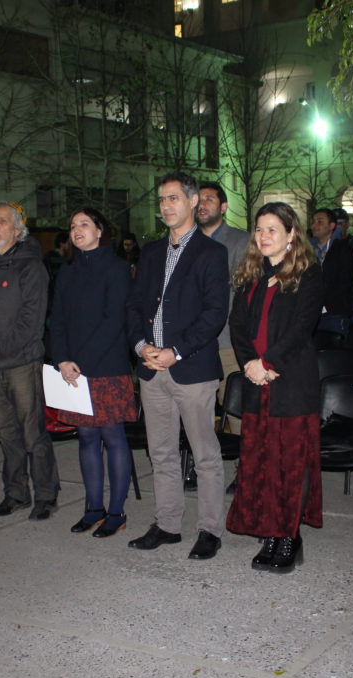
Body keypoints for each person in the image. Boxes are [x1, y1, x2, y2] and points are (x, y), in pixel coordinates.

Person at [125, 172, 229, 560]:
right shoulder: (151, 252)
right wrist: (142, 346)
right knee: (162, 453)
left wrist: (176, 351)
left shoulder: (211, 253)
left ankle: (210, 529)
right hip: (152, 369)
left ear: (193, 201)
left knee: (205, 455)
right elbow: (134, 305)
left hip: (192, 369)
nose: (166, 206)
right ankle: (167, 524)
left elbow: (214, 313)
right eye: (162, 199)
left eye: (173, 198)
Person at [226, 202, 323, 574]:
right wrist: (250, 364)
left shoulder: (307, 274)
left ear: (291, 234)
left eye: (272, 229)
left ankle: (289, 536)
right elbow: (237, 325)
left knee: (290, 464)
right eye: (259, 229)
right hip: (257, 382)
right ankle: (270, 531)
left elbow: (301, 328)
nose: (264, 236)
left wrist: (267, 364)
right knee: (261, 462)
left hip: (290, 383)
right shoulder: (250, 273)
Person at [0, 202, 61, 520]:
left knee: (33, 433)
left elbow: (30, 323)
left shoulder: (31, 268)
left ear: (18, 230)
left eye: (3, 221)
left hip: (21, 364)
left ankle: (45, 494)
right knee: (6, 433)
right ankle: (16, 493)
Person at [52, 208, 137, 538]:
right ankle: (93, 508)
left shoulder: (116, 268)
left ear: (100, 231)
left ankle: (116, 512)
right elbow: (57, 319)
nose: (77, 229)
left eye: (84, 224)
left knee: (112, 436)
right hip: (72, 368)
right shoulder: (67, 271)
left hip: (106, 366)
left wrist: (79, 363)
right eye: (73, 225)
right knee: (86, 436)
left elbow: (114, 321)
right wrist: (62, 359)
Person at [197, 181, 250, 436]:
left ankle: (245, 460)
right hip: (193, 344)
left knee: (236, 410)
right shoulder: (186, 241)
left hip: (227, 339)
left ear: (224, 207)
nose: (202, 204)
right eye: (199, 200)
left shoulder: (242, 241)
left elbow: (244, 291)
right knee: (198, 413)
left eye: (209, 199)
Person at [310, 208, 353, 336]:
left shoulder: (342, 249)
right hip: (310, 311)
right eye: (313, 222)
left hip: (334, 312)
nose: (314, 225)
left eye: (320, 221)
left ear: (331, 226)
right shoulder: (307, 250)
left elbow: (345, 281)